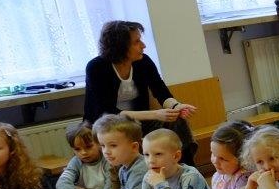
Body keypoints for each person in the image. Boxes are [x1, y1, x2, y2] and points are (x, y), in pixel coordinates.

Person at [83, 21, 199, 165]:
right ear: (120, 46)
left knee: (177, 120)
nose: (143, 45)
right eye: (136, 42)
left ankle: (187, 168)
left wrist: (176, 106)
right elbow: (107, 112)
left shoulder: (144, 61)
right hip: (105, 126)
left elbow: (160, 90)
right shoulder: (96, 67)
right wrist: (155, 114)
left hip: (138, 122)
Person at [55, 122, 113, 189]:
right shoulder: (76, 162)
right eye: (77, 149)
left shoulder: (107, 159)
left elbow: (111, 184)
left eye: (88, 147)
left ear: (98, 143)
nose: (83, 152)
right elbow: (62, 183)